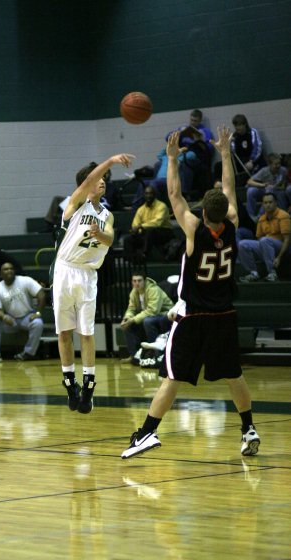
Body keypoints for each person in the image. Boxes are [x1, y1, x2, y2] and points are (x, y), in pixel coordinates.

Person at [121, 126, 260, 460]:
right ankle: (248, 429)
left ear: (203, 212)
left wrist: (171, 160)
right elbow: (228, 186)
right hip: (224, 313)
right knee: (233, 375)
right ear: (224, 210)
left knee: (171, 378)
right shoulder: (232, 221)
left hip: (194, 315)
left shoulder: (194, 228)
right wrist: (225, 153)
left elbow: (173, 195)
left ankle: (146, 433)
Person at [52, 152, 135, 414]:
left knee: (86, 333)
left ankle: (88, 386)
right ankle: (70, 384)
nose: (102, 182)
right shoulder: (74, 205)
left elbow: (109, 240)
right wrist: (110, 161)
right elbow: (89, 177)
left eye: (104, 180)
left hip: (88, 274)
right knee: (64, 332)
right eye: (99, 179)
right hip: (65, 270)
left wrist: (100, 233)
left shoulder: (107, 216)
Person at [0, 263, 46, 364]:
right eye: (6, 269)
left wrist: (38, 312)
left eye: (11, 268)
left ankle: (28, 353)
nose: (9, 271)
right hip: (11, 320)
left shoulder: (25, 280)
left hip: (27, 317)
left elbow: (41, 295)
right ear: (1, 273)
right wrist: (4, 317)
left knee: (38, 323)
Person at [120, 270, 173, 364]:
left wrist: (133, 319)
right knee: (127, 325)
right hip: (149, 316)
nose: (137, 283)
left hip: (165, 315)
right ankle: (134, 356)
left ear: (145, 281)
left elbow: (153, 310)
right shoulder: (134, 292)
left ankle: (153, 354)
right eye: (134, 281)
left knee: (147, 321)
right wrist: (127, 318)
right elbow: (131, 308)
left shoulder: (153, 289)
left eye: (139, 280)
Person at [238, 192, 291, 282]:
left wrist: (279, 257)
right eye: (265, 203)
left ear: (276, 203)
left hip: (282, 247)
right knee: (243, 244)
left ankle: (272, 272)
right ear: (262, 204)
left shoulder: (283, 216)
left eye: (270, 202)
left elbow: (287, 239)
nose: (268, 205)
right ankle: (253, 273)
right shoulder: (262, 218)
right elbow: (259, 238)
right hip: (267, 245)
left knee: (265, 240)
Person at [122, 185, 173, 263]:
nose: (148, 196)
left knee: (150, 231)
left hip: (164, 232)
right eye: (146, 193)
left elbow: (157, 223)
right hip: (147, 234)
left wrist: (141, 226)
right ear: (143, 195)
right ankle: (131, 260)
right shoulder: (141, 209)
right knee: (128, 239)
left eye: (151, 193)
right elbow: (135, 224)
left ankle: (144, 255)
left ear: (154, 195)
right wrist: (136, 230)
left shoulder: (162, 206)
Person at [246, 153, 289, 223]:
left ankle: (259, 216)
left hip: (278, 192)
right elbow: (249, 182)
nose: (278, 166)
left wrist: (279, 187)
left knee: (270, 190)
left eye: (279, 163)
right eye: (276, 164)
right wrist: (263, 185)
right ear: (269, 164)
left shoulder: (283, 170)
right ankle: (250, 215)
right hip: (265, 190)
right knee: (251, 191)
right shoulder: (264, 171)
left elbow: (286, 183)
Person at [230, 114, 264, 182]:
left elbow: (257, 147)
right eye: (235, 125)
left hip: (254, 160)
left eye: (239, 125)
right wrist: (229, 144)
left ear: (245, 124)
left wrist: (251, 160)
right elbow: (233, 153)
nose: (237, 128)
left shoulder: (252, 132)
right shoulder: (235, 136)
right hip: (242, 161)